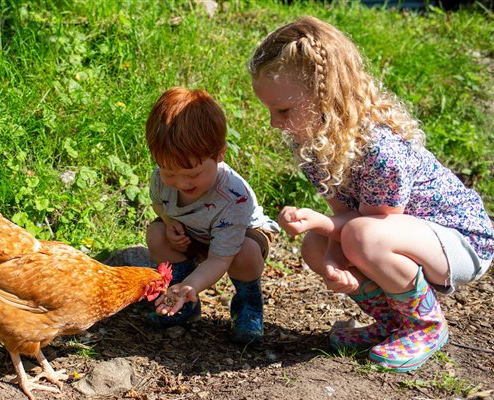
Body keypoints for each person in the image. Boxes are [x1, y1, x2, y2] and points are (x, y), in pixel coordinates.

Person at [248, 16, 493, 371]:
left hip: (461, 241)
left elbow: (374, 223)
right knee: (314, 244)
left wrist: (326, 225)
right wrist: (330, 255)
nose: (275, 122)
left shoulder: (380, 148)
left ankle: (425, 325)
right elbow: (342, 215)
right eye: (270, 111)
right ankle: (394, 324)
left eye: (283, 110)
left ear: (325, 96)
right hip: (395, 235)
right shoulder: (314, 145)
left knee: (363, 236)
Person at [145, 87, 280, 344]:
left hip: (236, 241)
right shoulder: (160, 179)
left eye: (193, 174)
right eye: (169, 172)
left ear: (219, 154)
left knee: (245, 253)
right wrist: (169, 221)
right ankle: (183, 303)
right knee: (157, 234)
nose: (181, 183)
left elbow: (220, 258)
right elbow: (159, 205)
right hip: (195, 233)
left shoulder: (234, 196)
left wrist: (193, 284)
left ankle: (247, 305)